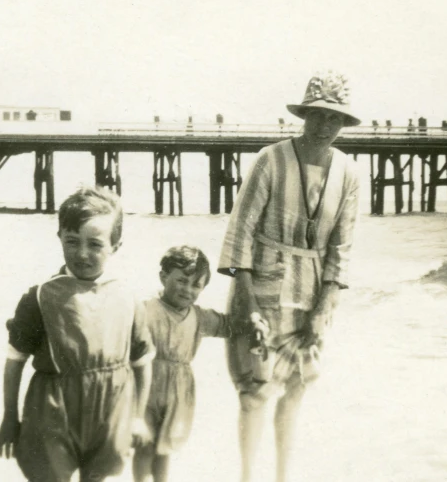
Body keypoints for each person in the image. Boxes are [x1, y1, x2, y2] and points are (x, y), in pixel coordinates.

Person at [218, 71, 361, 482]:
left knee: (296, 389)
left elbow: (342, 248)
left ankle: (283, 476)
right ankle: (246, 476)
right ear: (305, 115)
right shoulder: (271, 158)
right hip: (261, 287)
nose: (324, 125)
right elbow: (241, 229)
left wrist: (325, 306)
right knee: (253, 391)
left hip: (312, 293)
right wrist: (243, 298)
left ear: (343, 123)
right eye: (317, 115)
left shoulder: (349, 173)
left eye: (334, 118)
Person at [0, 186, 154, 482]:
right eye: (72, 241)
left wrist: (136, 418)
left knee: (98, 475)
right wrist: (9, 417)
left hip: (110, 407)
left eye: (95, 244)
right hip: (53, 409)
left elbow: (142, 362)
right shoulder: (40, 296)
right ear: (60, 239)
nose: (82, 254)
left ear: (115, 247)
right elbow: (14, 360)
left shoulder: (127, 298)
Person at [133, 245, 266, 482]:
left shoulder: (199, 316)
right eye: (182, 280)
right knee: (145, 445)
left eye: (196, 285)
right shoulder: (145, 309)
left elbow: (229, 326)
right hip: (146, 388)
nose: (188, 289)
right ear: (163, 276)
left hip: (179, 391)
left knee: (165, 447)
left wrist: (254, 323)